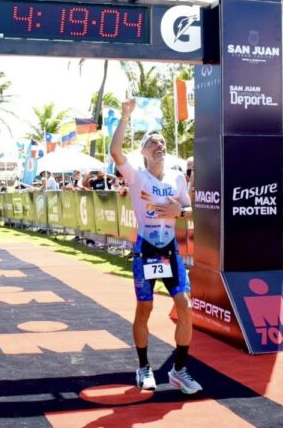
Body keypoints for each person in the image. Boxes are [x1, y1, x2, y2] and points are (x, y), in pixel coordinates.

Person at [110, 97, 202, 395]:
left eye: (162, 142)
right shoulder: (137, 176)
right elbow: (115, 152)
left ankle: (179, 370)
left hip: (171, 249)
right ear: (143, 152)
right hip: (147, 249)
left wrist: (180, 213)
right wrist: (125, 116)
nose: (159, 145)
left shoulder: (177, 177)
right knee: (145, 308)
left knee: (185, 308)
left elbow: (189, 210)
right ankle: (144, 366)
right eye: (152, 143)